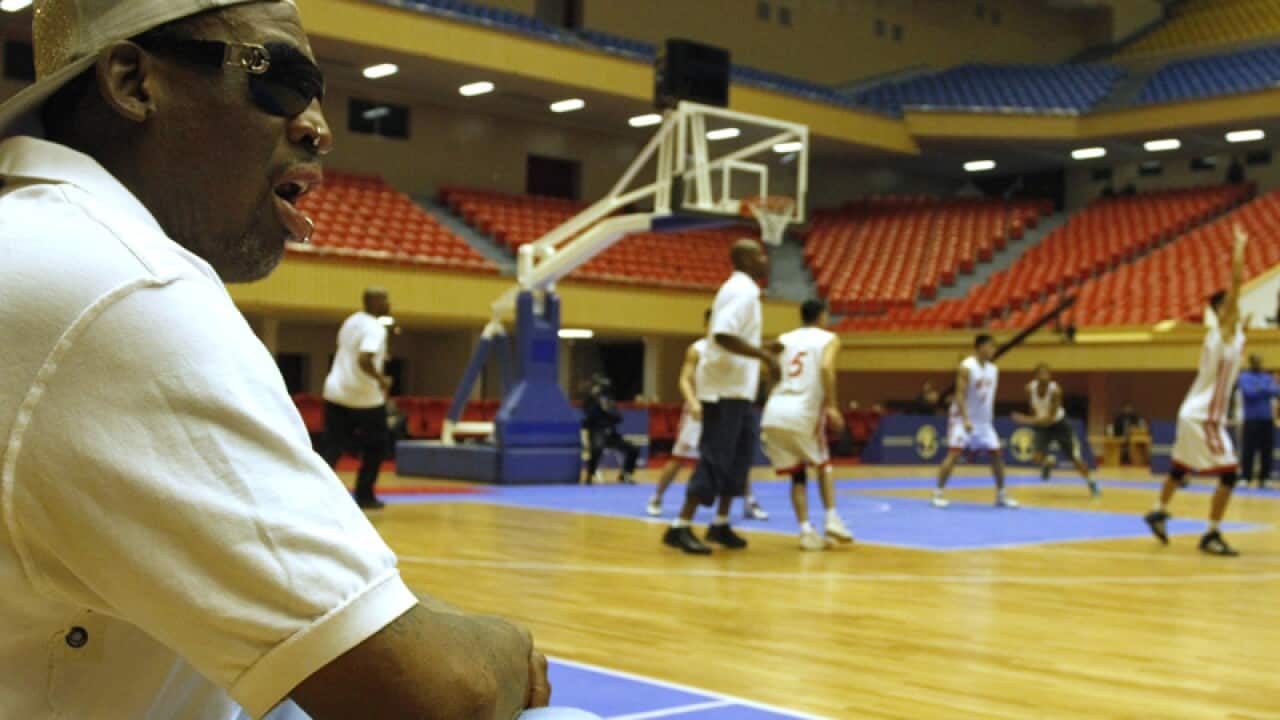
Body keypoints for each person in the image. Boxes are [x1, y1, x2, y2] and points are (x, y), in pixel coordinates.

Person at [0, 2, 551, 718]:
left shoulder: (36, 232)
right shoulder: (126, 287)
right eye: (281, 79)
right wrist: (506, 644)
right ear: (134, 83)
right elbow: (439, 694)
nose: (319, 126)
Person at [663, 239, 780, 555]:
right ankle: (680, 526)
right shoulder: (742, 290)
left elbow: (734, 339)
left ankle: (720, 522)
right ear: (743, 259)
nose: (765, 258)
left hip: (738, 390)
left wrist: (763, 348)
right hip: (723, 390)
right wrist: (765, 358)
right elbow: (723, 336)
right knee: (716, 457)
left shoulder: (747, 291)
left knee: (739, 457)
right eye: (758, 253)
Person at [1145, 224, 1250, 556]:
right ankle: (1212, 533)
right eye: (1227, 308)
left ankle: (1159, 510)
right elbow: (1235, 288)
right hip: (1204, 417)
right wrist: (1239, 249)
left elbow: (1240, 328)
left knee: (1179, 468)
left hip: (1194, 413)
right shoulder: (1220, 335)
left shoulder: (1235, 338)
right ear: (1221, 313)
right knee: (1231, 474)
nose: (1232, 311)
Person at [761, 300, 854, 551]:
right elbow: (826, 367)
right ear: (823, 316)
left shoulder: (784, 338)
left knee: (797, 474)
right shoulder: (829, 338)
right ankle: (832, 517)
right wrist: (833, 405)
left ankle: (805, 532)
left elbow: (767, 362)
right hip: (803, 411)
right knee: (824, 465)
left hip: (773, 411)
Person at [320, 287, 393, 509]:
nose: (389, 303)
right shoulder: (375, 328)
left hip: (335, 391)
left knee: (331, 447)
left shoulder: (351, 321)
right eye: (386, 299)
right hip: (364, 398)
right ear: (375, 302)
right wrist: (382, 379)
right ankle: (365, 495)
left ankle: (315, 493)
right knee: (376, 447)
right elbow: (364, 359)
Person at [933, 334, 1018, 509]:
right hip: (962, 419)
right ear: (981, 347)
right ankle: (938, 493)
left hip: (984, 423)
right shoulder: (966, 367)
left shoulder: (994, 370)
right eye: (990, 346)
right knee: (954, 454)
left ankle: (1001, 495)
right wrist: (965, 419)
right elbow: (960, 394)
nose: (993, 350)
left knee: (997, 456)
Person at [648, 311, 709, 516]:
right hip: (697, 411)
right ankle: (657, 497)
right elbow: (684, 379)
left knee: (734, 455)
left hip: (721, 409)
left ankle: (749, 500)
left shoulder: (729, 349)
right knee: (679, 458)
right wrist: (693, 403)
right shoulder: (697, 349)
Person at [1026, 363, 1100, 497]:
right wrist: (1035, 417)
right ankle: (1047, 461)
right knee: (1036, 456)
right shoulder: (1029, 389)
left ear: (1050, 376)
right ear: (1036, 377)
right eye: (1041, 374)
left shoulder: (1055, 390)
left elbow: (1051, 417)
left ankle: (1091, 482)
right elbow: (1033, 407)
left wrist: (1028, 420)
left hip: (1059, 425)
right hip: (1042, 426)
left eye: (1046, 374)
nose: (1044, 377)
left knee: (1075, 459)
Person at [582, 373, 639, 485]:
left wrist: (608, 409)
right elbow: (588, 419)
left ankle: (625, 474)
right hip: (597, 433)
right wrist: (598, 406)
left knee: (633, 449)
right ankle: (590, 475)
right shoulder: (590, 401)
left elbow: (619, 418)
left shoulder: (608, 401)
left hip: (611, 434)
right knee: (597, 448)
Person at [1237, 354, 1278, 489]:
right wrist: (1265, 389)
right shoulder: (1244, 377)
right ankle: (1245, 477)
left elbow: (1276, 391)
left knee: (1267, 449)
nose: (1257, 363)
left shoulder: (1267, 377)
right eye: (1255, 361)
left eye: (1259, 361)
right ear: (1250, 363)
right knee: (1249, 449)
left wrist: (1259, 388)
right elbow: (1249, 393)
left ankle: (1265, 478)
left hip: (1267, 419)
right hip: (1251, 419)